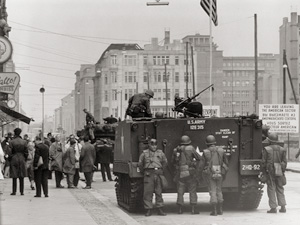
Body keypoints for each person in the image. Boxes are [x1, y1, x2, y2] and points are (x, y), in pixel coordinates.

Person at [138, 138, 168, 217]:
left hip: (158, 173)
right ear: (149, 145)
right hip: (148, 174)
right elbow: (140, 164)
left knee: (159, 192)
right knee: (148, 192)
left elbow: (165, 162)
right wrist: (144, 171)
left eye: (155, 145)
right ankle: (148, 209)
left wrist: (161, 170)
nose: (154, 146)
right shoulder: (144, 153)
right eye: (152, 144)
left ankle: (160, 208)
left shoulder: (160, 153)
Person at [172, 135, 201, 214]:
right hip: (190, 173)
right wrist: (194, 163)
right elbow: (199, 158)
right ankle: (193, 209)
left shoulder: (176, 150)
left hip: (180, 173)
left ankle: (180, 209)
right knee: (192, 190)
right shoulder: (191, 148)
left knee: (180, 191)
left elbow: (173, 161)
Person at [202, 135, 228, 216]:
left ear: (207, 143)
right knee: (219, 190)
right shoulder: (221, 150)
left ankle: (214, 211)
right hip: (220, 172)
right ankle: (220, 210)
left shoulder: (206, 152)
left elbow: (201, 164)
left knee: (212, 191)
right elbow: (226, 162)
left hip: (210, 173)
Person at [261, 132, 287, 213]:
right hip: (279, 170)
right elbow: (285, 162)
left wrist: (263, 171)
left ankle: (273, 208)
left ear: (270, 140)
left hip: (270, 171)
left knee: (271, 188)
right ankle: (283, 207)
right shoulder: (282, 149)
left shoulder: (266, 149)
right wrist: (282, 170)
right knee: (280, 188)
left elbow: (263, 162)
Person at [8, 128, 28, 196]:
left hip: (14, 158)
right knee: (21, 175)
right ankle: (21, 191)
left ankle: (14, 191)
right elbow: (26, 152)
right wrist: (24, 158)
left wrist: (10, 159)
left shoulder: (11, 142)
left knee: (14, 175)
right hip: (21, 158)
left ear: (14, 133)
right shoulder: (24, 142)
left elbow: (9, 152)